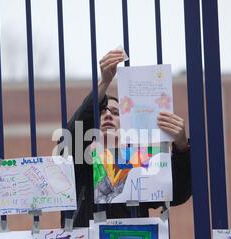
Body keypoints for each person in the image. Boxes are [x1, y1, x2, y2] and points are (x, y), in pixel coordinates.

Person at [60, 49, 191, 228]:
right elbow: (72, 136)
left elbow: (178, 191)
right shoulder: (76, 162)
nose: (108, 116)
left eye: (115, 113)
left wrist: (182, 148)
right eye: (101, 111)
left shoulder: (139, 162)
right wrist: (104, 82)